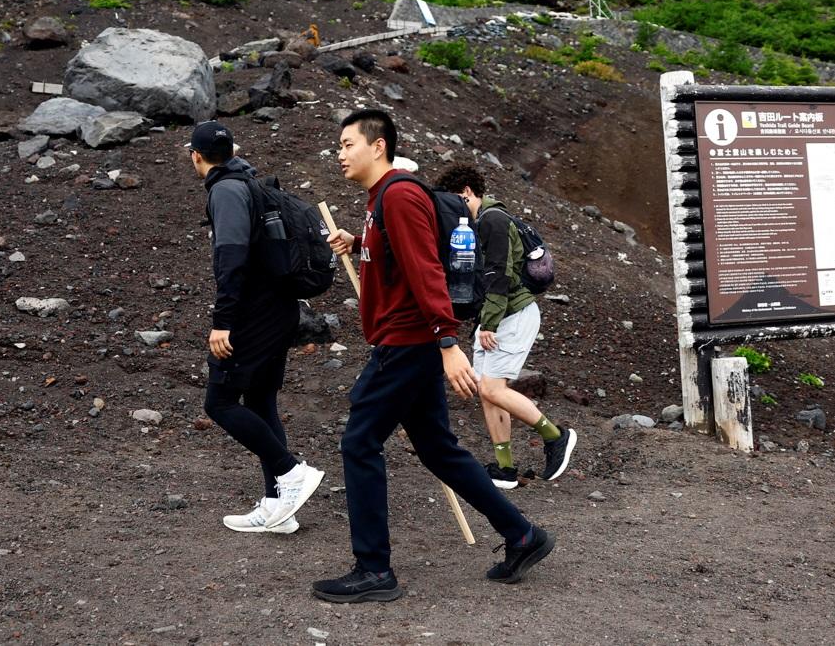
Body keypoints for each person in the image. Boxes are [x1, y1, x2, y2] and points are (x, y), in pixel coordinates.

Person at [313, 109, 554, 603]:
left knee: (359, 442)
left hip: (408, 341)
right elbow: (401, 258)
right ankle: (523, 535)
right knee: (438, 449)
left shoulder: (398, 195)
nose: (339, 154)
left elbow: (424, 269)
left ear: (377, 146)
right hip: (413, 340)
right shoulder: (381, 200)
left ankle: (374, 570)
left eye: (346, 144)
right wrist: (359, 242)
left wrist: (447, 341)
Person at [186, 120, 324, 535]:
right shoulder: (248, 183)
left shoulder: (226, 191)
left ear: (196, 156)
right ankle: (278, 507)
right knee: (262, 402)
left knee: (220, 402)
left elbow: (232, 258)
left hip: (252, 315)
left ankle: (291, 473)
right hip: (279, 310)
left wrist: (222, 322)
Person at [433, 164, 575, 489]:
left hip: (512, 315)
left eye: (453, 200)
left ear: (467, 191)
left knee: (492, 388)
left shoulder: (493, 220)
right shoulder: (476, 223)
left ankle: (556, 436)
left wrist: (489, 323)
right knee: (488, 393)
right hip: (496, 317)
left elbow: (499, 275)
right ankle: (505, 468)